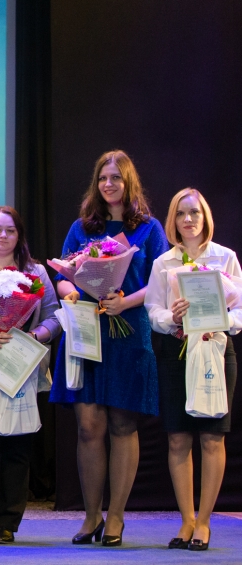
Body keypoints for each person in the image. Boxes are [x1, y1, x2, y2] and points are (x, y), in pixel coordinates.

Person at [50, 150, 167, 547]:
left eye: (116, 177)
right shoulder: (82, 227)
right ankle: (91, 516)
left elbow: (161, 282)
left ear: (128, 182)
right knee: (88, 427)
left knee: (122, 426)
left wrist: (124, 301)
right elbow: (63, 275)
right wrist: (69, 291)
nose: (109, 184)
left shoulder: (149, 229)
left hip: (128, 331)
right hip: (86, 329)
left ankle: (116, 517)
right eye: (103, 177)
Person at [144, 188, 238, 551]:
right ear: (173, 220)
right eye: (181, 213)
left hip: (215, 348)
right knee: (178, 438)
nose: (188, 219)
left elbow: (240, 309)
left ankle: (205, 522)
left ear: (205, 217)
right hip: (175, 352)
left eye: (194, 212)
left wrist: (222, 320)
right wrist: (172, 317)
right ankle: (186, 520)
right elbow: (152, 310)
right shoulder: (163, 263)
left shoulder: (225, 258)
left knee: (212, 437)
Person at [0, 206, 60, 544]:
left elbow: (55, 318)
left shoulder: (36, 273)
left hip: (20, 369)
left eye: (10, 230)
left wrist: (33, 336)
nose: (3, 236)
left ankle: (8, 522)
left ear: (19, 236)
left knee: (17, 447)